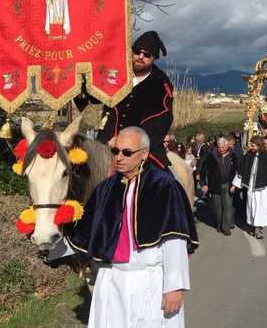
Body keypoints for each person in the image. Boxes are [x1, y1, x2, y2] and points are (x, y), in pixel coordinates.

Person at [66, 127, 198, 328]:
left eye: (126, 152)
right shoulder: (105, 189)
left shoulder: (164, 187)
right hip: (111, 278)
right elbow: (85, 234)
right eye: (115, 151)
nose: (119, 157)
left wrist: (174, 287)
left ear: (144, 154)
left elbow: (175, 240)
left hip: (148, 281)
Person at [75, 31, 173, 170]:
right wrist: (78, 86)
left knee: (162, 183)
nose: (140, 57)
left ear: (154, 59)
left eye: (147, 55)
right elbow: (94, 93)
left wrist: (128, 140)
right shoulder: (116, 71)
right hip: (106, 143)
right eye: (137, 52)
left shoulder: (161, 84)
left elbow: (161, 120)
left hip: (140, 148)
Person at [231, 135, 267, 239]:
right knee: (252, 206)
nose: (251, 148)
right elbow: (242, 170)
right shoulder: (248, 155)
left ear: (258, 145)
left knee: (260, 207)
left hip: (262, 188)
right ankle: (254, 226)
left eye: (253, 146)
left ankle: (259, 228)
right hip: (251, 186)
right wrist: (235, 185)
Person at [198, 137, 237, 235]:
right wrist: (203, 184)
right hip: (215, 184)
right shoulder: (212, 156)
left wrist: (235, 184)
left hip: (228, 184)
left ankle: (226, 226)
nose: (221, 150)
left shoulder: (233, 156)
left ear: (227, 146)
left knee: (228, 206)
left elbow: (237, 171)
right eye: (219, 148)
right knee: (217, 206)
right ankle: (220, 223)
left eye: (223, 147)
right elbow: (204, 169)